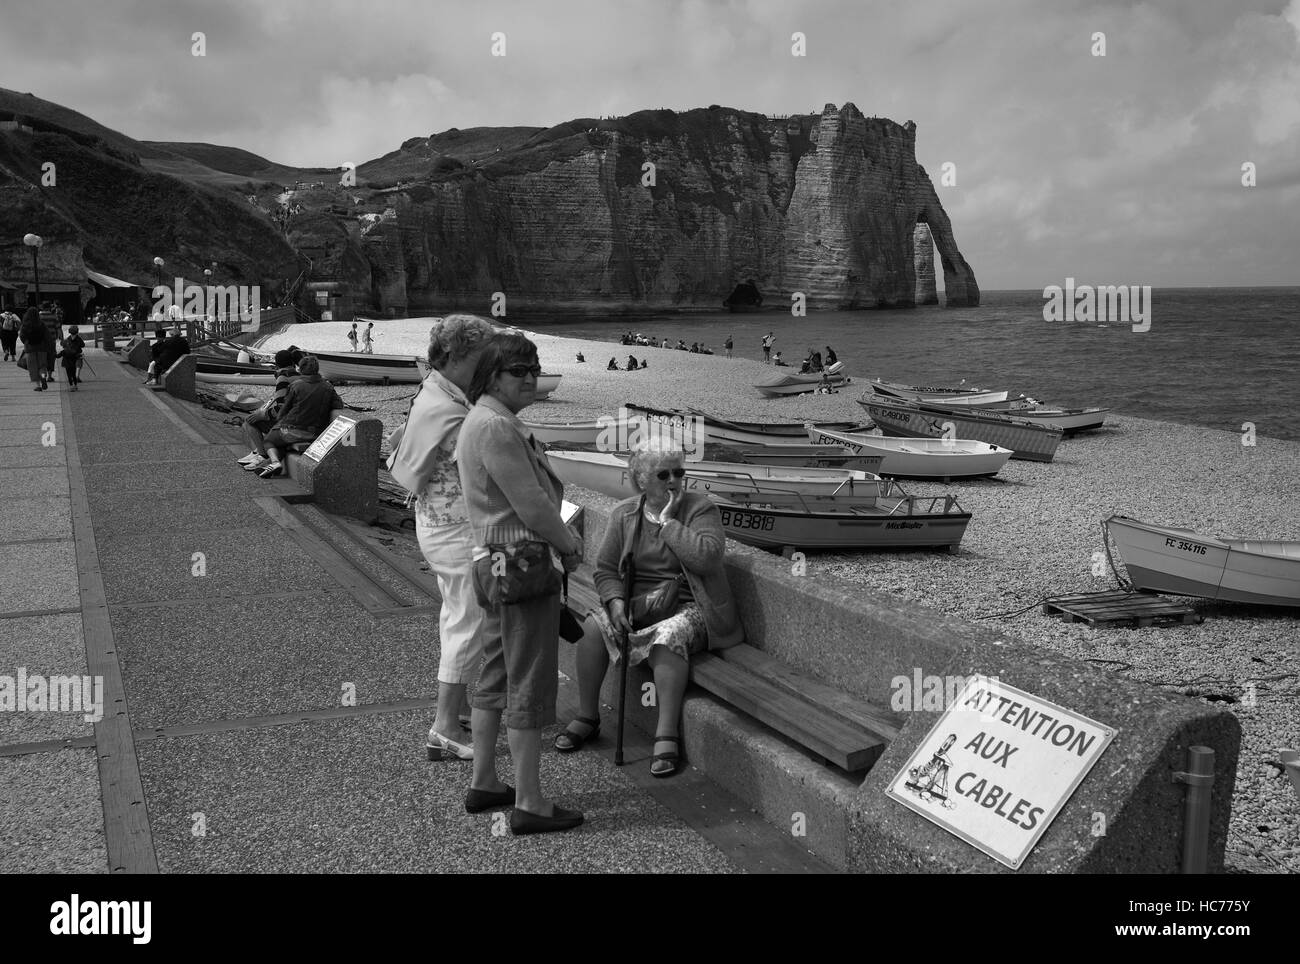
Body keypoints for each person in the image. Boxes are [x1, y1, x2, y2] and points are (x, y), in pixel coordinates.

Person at [456, 331, 585, 835]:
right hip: (521, 563)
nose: (530, 379)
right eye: (518, 371)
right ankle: (530, 801)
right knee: (528, 682)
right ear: (491, 376)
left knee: (496, 675)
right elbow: (530, 503)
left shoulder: (483, 421)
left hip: (491, 561)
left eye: (534, 369)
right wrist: (570, 546)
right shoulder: (496, 427)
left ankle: (485, 780)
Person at [555, 439, 743, 777]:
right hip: (638, 604)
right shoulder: (625, 514)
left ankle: (666, 732)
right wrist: (614, 603)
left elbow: (707, 557)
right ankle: (587, 716)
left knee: (667, 637)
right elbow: (606, 570)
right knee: (593, 628)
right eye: (663, 475)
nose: (673, 481)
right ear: (642, 480)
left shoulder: (700, 510)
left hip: (693, 605)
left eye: (679, 473)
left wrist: (669, 524)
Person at [390, 314, 496, 760]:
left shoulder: (433, 391)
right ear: (456, 356)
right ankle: (444, 727)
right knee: (467, 623)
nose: (489, 367)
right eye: (481, 358)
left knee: (457, 618)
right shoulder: (453, 411)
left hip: (436, 522)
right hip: (455, 531)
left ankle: (459, 708)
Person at [257, 355, 344, 478]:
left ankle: (275, 462)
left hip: (292, 430)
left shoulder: (296, 385)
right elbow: (338, 405)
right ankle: (271, 465)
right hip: (315, 432)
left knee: (269, 441)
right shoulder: (327, 386)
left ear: (301, 369)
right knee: (283, 444)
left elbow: (283, 410)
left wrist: (277, 420)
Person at [236, 350, 302, 471]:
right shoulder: (298, 375)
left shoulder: (283, 377)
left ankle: (262, 454)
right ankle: (259, 451)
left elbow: (281, 406)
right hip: (298, 420)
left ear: (276, 364)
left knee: (249, 422)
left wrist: (264, 415)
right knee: (256, 418)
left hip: (288, 422)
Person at [19, 308, 50, 391]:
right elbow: (47, 336)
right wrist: (48, 346)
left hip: (30, 348)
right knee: (42, 365)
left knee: (33, 367)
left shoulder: (25, 325)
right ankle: (43, 377)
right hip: (42, 348)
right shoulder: (41, 324)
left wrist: (26, 342)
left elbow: (22, 336)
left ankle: (38, 386)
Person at [59, 325, 85, 391]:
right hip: (78, 354)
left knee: (70, 371)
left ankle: (72, 383)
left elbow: (64, 346)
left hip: (70, 357)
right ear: (77, 332)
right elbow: (83, 345)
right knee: (79, 365)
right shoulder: (79, 338)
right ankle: (77, 376)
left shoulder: (68, 339)